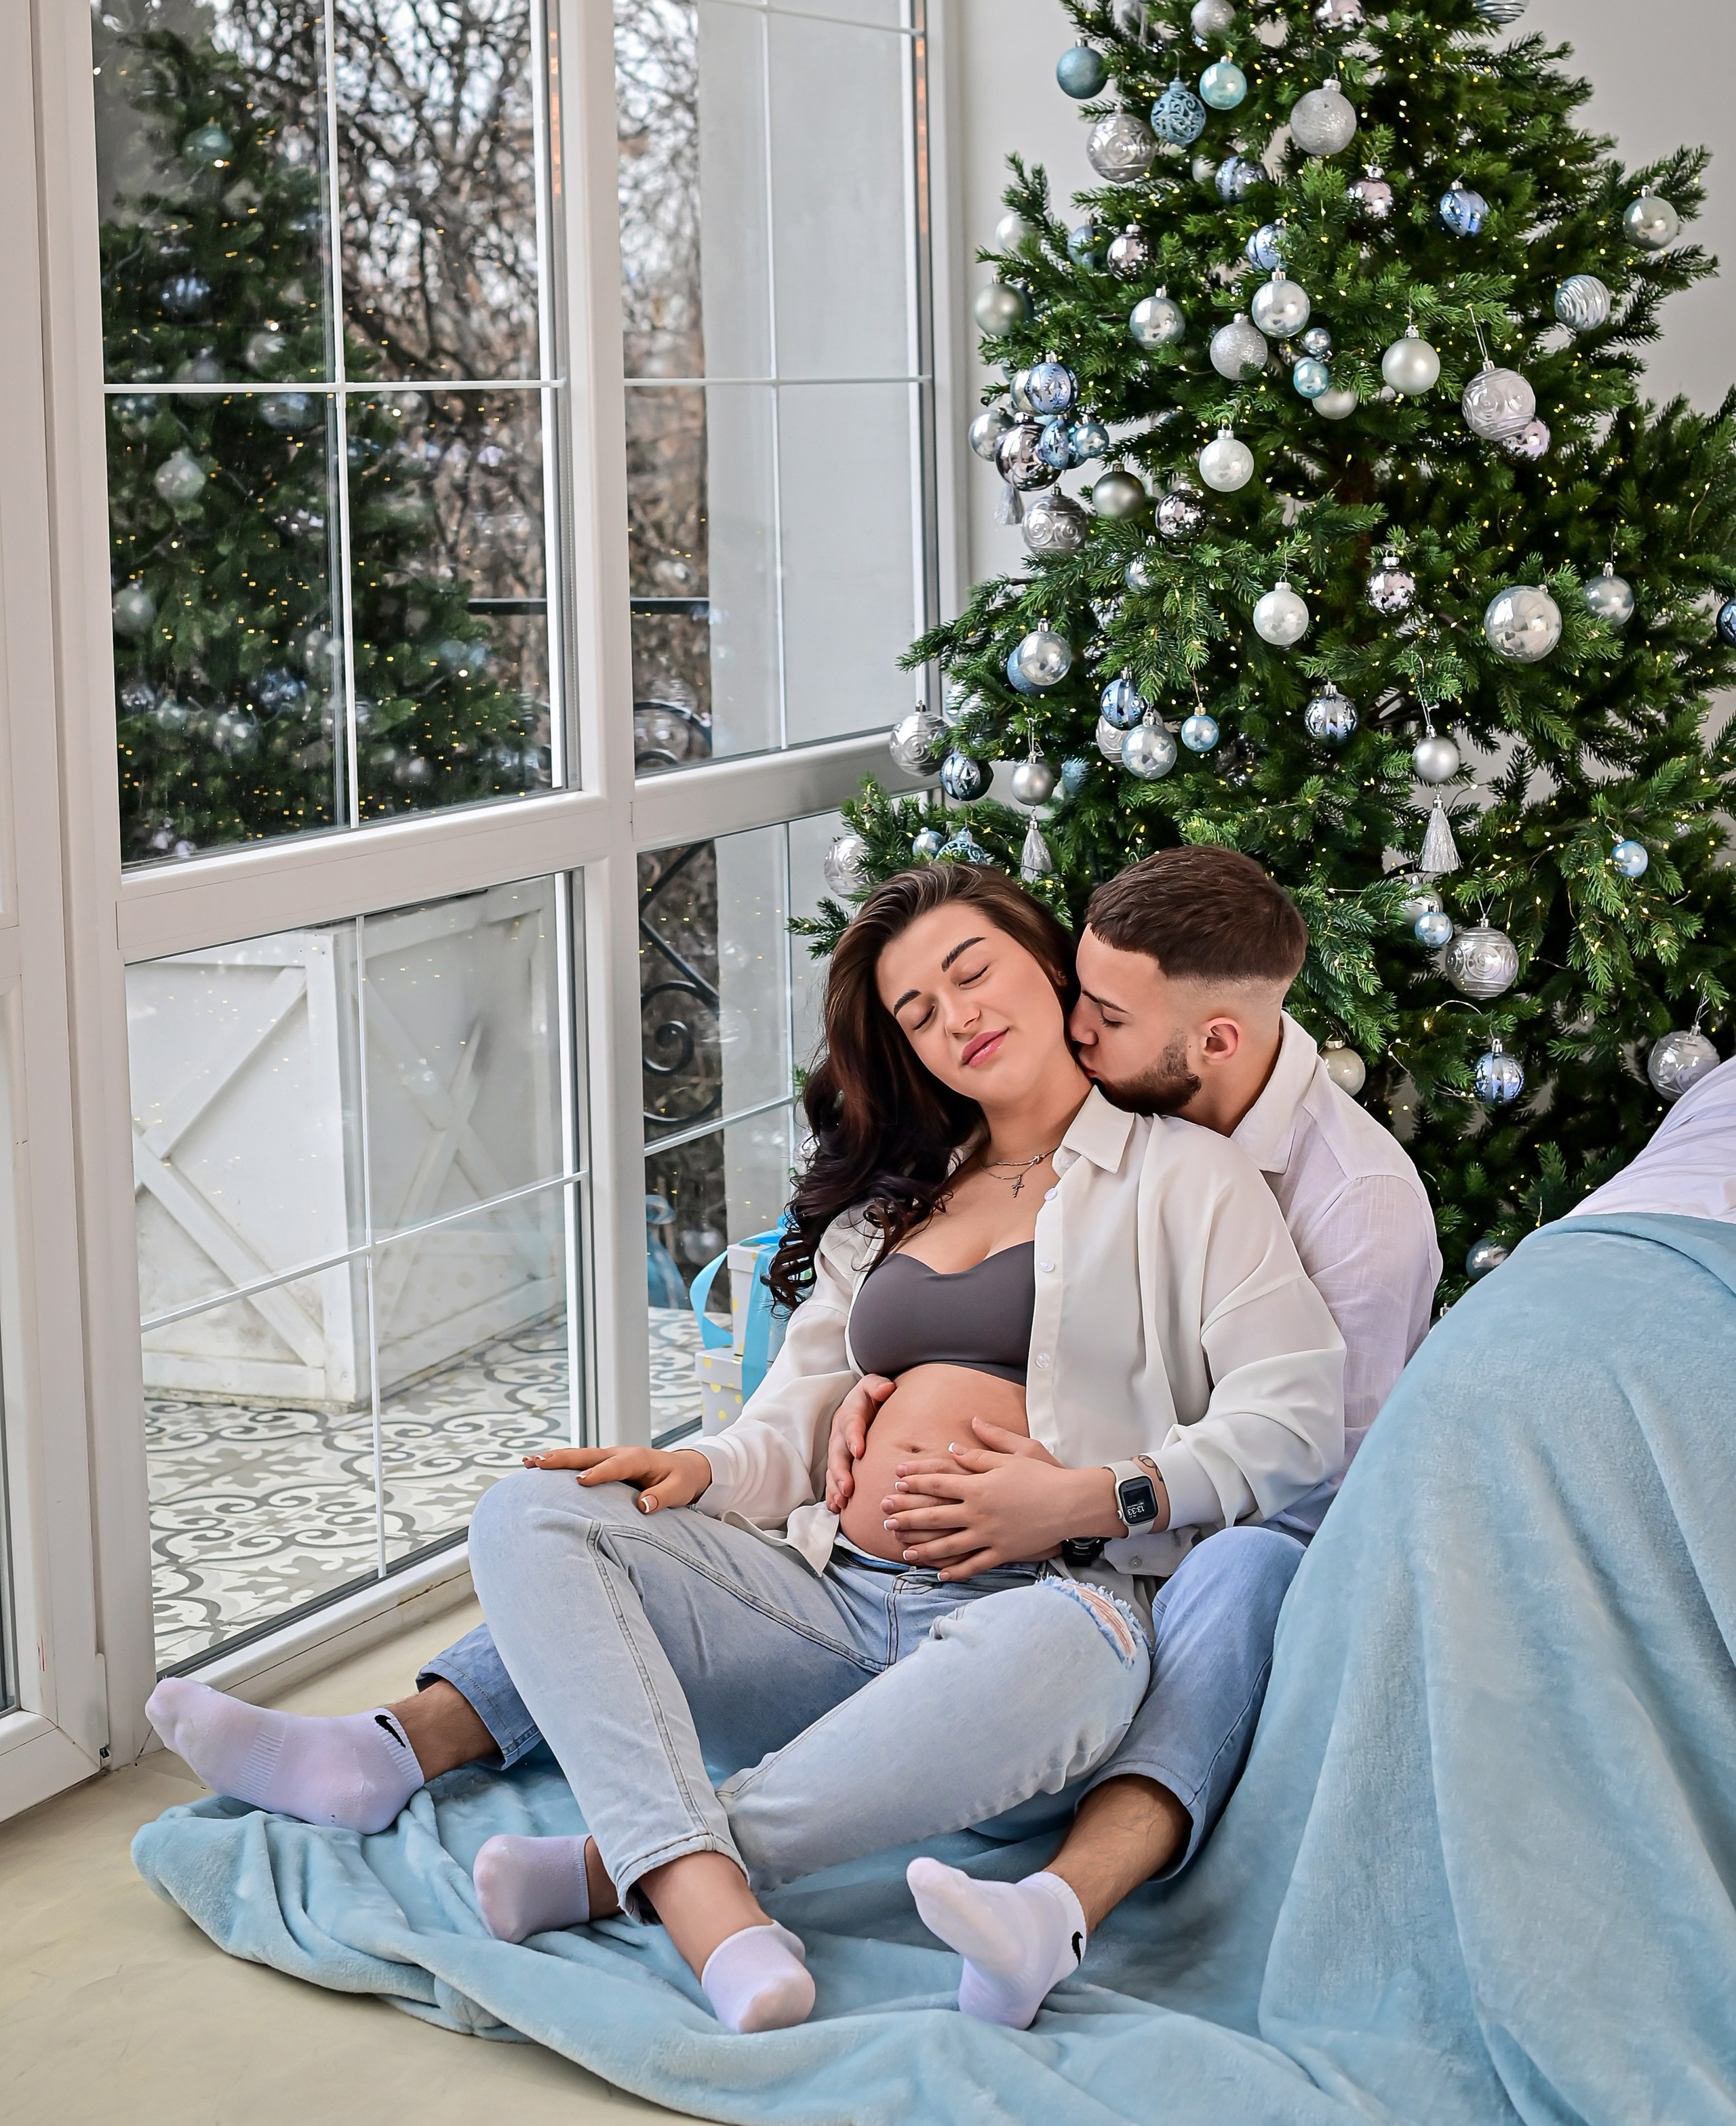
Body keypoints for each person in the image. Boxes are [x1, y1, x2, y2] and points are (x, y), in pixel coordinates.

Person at [147, 863, 1343, 2035]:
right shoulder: (896, 1202)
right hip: (828, 1607)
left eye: (972, 972)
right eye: (916, 1011)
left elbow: (1293, 1417)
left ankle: (631, 1867)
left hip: (1031, 1622)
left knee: (1080, 1647)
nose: (955, 1017)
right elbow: (796, 1404)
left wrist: (1087, 1496)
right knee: (537, 1514)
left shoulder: (1184, 1180)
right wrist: (704, 1473)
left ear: (1046, 964)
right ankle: (710, 1910)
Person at [888, 845, 1440, 2024]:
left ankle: (1054, 1911)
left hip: (1233, 1552)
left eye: (1110, 1016)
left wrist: (1088, 1503)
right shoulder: (1091, 1122)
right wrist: (872, 1395)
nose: (1075, 1031)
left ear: (1219, 1042)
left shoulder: (1359, 1210)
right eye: (1078, 993)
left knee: (1244, 1571)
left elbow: (1306, 1483)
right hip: (1054, 1517)